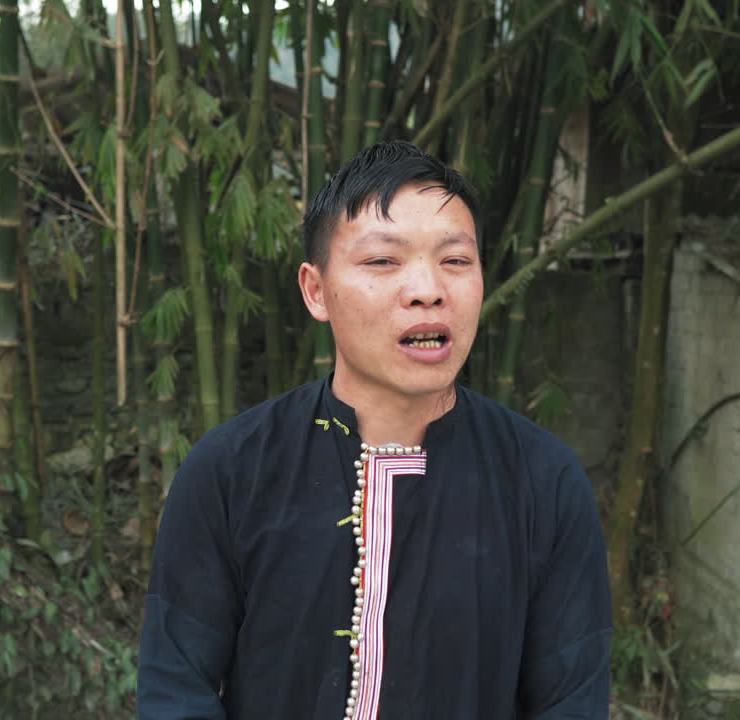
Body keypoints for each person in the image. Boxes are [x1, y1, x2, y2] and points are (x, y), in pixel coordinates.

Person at [138, 141, 612, 719]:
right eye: (383, 261)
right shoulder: (232, 470)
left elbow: (570, 703)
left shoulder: (543, 482)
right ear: (316, 291)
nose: (427, 289)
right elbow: (175, 692)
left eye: (456, 261)